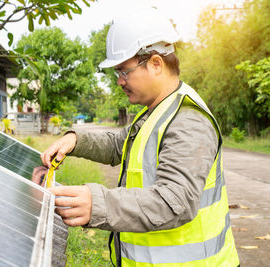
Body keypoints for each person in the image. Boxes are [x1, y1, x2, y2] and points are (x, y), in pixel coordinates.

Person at [41, 6, 239, 267]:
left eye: (124, 71)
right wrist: (75, 139)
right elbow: (120, 144)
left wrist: (98, 204)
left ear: (156, 63)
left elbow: (174, 202)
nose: (119, 82)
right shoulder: (157, 111)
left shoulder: (188, 120)